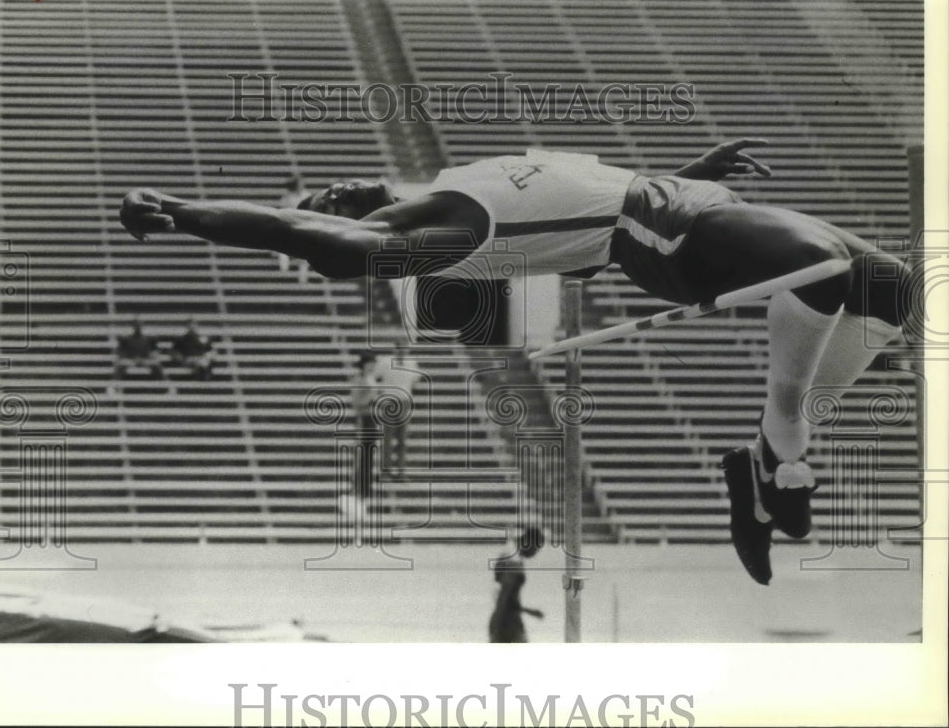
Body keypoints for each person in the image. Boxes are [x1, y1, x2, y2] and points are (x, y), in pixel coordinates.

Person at [120, 139, 913, 585]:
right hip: (661, 234)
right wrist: (189, 212)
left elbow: (575, 181)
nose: (339, 187)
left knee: (894, 289)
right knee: (821, 265)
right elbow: (312, 240)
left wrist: (696, 167)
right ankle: (777, 457)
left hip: (682, 196)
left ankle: (766, 460)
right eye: (333, 198)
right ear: (365, 219)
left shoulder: (462, 178)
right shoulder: (440, 230)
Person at [489, 526, 545, 643]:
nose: (535, 553)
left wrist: (529, 611)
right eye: (536, 548)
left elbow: (507, 597)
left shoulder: (508, 554)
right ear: (528, 542)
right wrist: (498, 626)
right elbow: (504, 596)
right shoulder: (514, 564)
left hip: (506, 618)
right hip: (507, 623)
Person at [375, 340, 421, 474]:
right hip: (389, 401)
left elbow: (415, 381)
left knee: (402, 438)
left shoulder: (411, 363)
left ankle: (401, 470)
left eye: (404, 349)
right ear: (394, 349)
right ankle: (386, 470)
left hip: (404, 401)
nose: (401, 351)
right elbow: (375, 378)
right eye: (399, 349)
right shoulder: (384, 362)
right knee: (387, 437)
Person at [347, 352, 382, 509]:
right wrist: (369, 399)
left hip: (372, 418)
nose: (373, 366)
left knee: (369, 455)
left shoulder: (372, 378)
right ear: (364, 364)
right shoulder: (359, 379)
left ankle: (365, 489)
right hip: (363, 418)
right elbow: (356, 402)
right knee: (361, 455)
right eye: (370, 363)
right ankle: (358, 489)